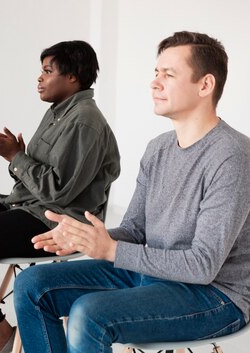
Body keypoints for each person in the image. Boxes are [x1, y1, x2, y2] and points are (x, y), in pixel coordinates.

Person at [13, 31, 250, 353]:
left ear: (205, 85)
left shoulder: (232, 155)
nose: (155, 83)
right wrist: (88, 237)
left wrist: (109, 250)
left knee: (90, 313)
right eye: (156, 73)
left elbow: (202, 265)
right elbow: (137, 230)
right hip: (151, 274)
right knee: (31, 284)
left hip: (215, 295)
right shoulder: (159, 148)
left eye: (169, 74)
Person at [0, 40, 121, 353]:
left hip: (56, 221)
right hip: (26, 205)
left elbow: (58, 191)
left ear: (73, 78)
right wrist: (14, 155)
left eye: (48, 71)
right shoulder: (59, 113)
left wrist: (15, 156)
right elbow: (39, 177)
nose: (40, 78)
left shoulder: (83, 122)